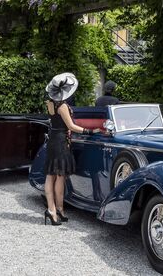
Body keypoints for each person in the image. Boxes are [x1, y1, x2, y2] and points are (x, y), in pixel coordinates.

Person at [44, 72, 100, 225]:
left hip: (53, 140)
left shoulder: (49, 103)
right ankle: (58, 209)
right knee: (60, 176)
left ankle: (52, 210)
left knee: (51, 176)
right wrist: (90, 131)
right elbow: (71, 126)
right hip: (61, 141)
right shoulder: (62, 105)